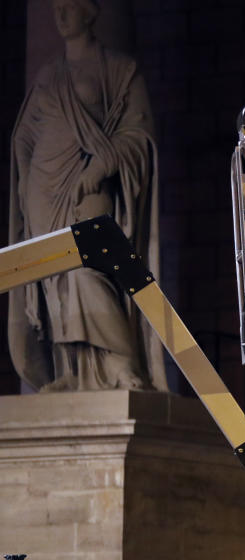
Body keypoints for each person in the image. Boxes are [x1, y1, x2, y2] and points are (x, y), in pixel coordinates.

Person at [7, 0, 165, 392]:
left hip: (90, 185)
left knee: (90, 272)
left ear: (90, 12)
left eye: (69, 7)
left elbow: (138, 135)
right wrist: (27, 182)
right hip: (45, 190)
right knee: (54, 280)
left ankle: (122, 365)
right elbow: (24, 135)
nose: (60, 15)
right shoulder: (48, 75)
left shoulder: (119, 69)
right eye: (57, 7)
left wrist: (100, 166)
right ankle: (74, 372)